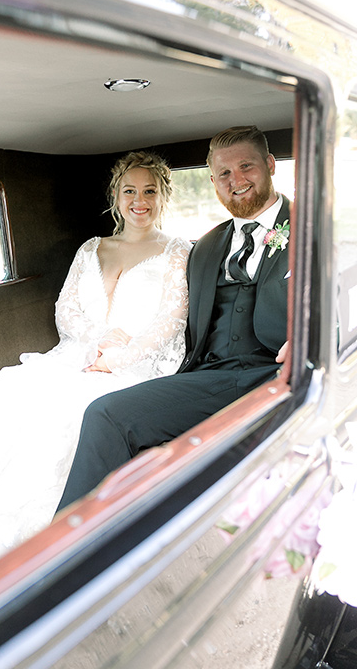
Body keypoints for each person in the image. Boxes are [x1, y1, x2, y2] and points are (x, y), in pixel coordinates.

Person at [0, 151, 191, 610]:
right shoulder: (92, 248)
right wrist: (94, 341)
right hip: (76, 354)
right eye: (129, 190)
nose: (140, 200)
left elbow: (171, 322)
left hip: (135, 366)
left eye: (149, 190)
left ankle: (7, 540)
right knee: (9, 391)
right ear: (116, 196)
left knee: (65, 416)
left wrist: (117, 358)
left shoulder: (178, 251)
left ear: (163, 195)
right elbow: (66, 310)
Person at [56, 125, 291, 511]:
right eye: (224, 174)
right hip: (208, 375)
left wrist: (316, 334)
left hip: (274, 372)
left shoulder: (315, 229)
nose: (236, 181)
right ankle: (69, 551)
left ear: (269, 165)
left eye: (246, 166)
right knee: (106, 414)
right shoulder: (207, 246)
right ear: (213, 181)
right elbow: (174, 314)